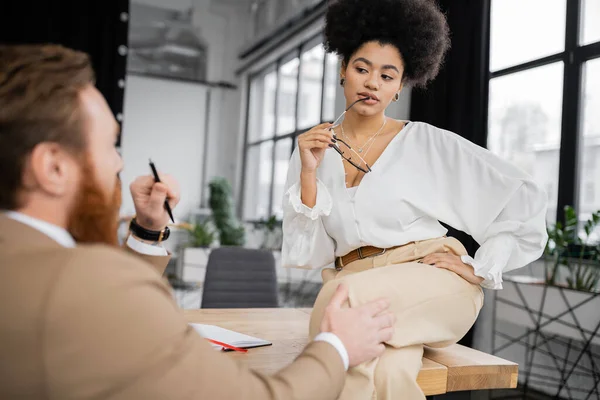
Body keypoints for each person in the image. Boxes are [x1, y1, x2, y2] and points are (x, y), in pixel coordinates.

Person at [0, 44, 396, 399]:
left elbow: (96, 312)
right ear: (51, 167)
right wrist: (337, 345)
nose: (119, 163)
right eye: (108, 146)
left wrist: (148, 228)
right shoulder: (85, 285)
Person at [281, 0, 549, 398]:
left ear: (399, 86)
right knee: (387, 374)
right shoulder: (313, 149)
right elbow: (308, 253)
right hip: (355, 279)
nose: (372, 82)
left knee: (340, 307)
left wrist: (480, 267)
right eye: (362, 68)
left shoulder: (423, 142)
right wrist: (308, 172)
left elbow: (521, 197)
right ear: (342, 70)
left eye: (387, 76)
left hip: (428, 279)